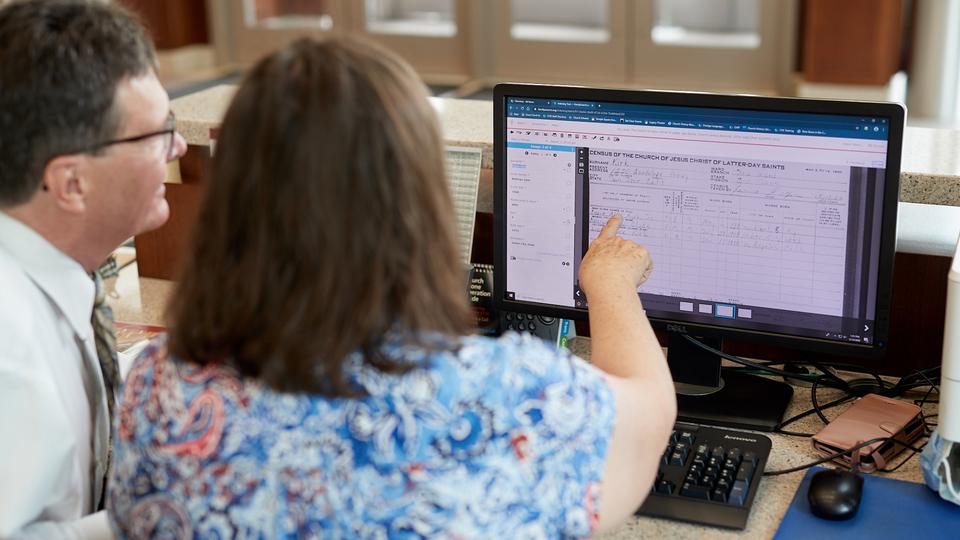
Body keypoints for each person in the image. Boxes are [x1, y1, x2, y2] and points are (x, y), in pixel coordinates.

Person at [107, 37, 676, 538]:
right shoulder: (506, 395)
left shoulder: (157, 386)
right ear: (415, 204)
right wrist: (609, 282)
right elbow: (648, 421)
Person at [0, 0, 186, 537]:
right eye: (155, 134)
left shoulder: (59, 272)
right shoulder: (11, 351)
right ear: (71, 183)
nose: (177, 147)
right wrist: (172, 505)